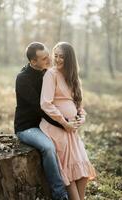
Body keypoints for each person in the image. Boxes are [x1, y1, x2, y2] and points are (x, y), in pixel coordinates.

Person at [14, 42, 84, 200]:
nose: (50, 59)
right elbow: (42, 109)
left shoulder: (47, 72)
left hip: (45, 125)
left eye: (48, 55)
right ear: (33, 62)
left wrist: (74, 118)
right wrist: (64, 123)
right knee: (48, 148)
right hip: (28, 128)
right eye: (45, 58)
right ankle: (59, 193)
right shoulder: (23, 79)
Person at [40, 42, 96, 200]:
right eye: (55, 55)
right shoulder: (50, 74)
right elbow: (45, 103)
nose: (57, 59)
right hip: (56, 127)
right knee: (69, 173)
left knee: (83, 173)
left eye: (61, 57)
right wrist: (65, 123)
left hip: (72, 130)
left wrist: (81, 118)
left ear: (69, 59)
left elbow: (79, 107)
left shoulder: (73, 77)